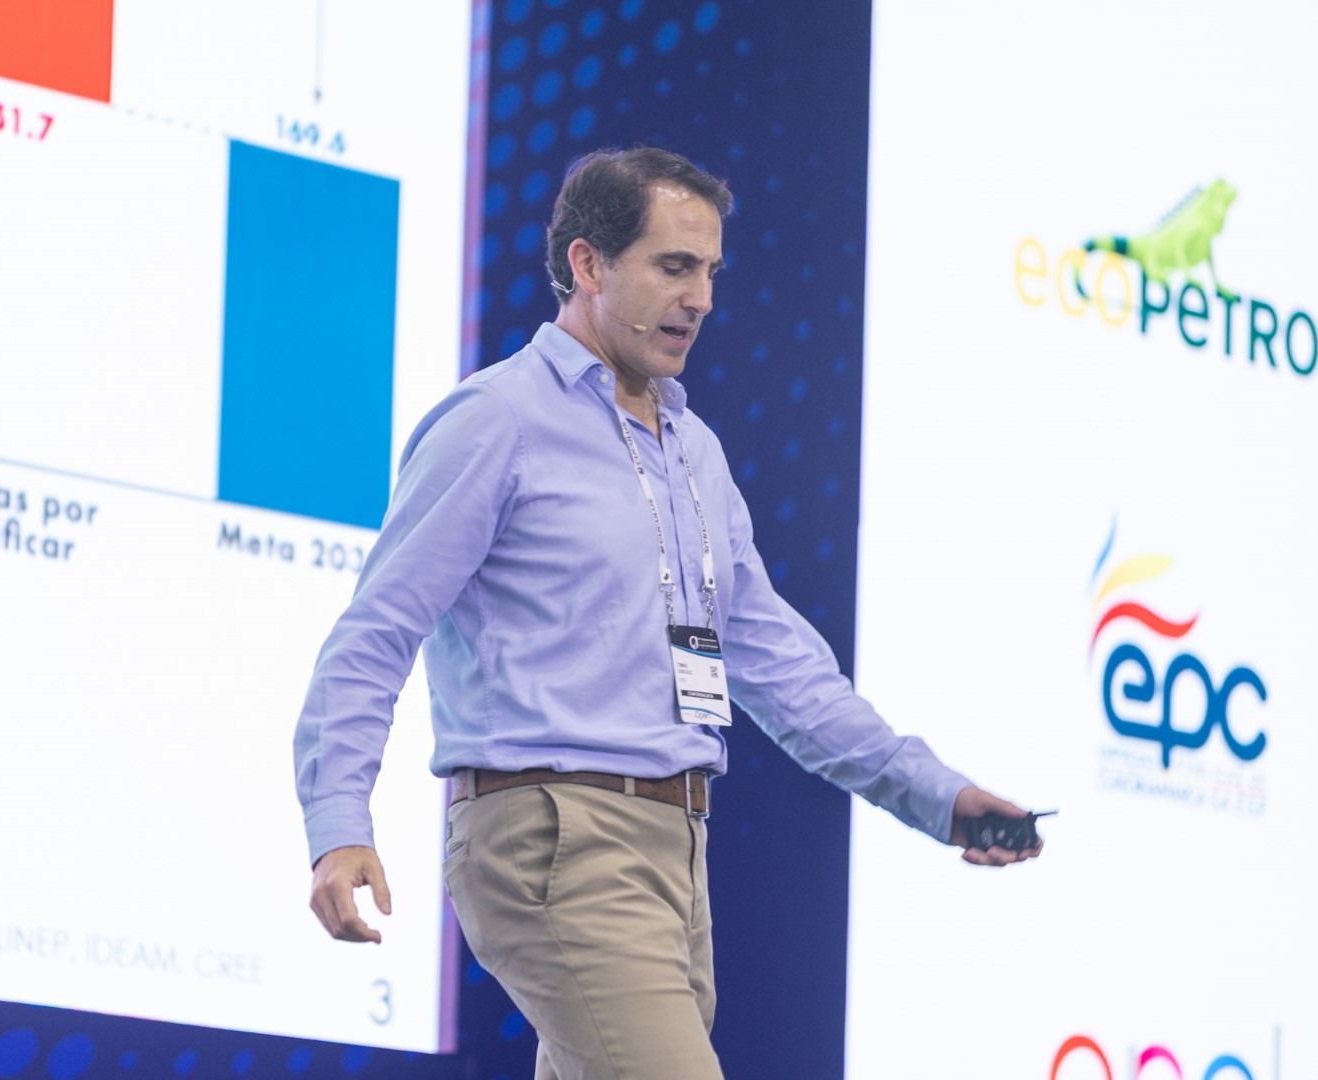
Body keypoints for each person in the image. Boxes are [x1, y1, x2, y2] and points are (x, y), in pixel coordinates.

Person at [294, 146, 1041, 1080]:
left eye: (711, 272)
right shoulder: (498, 420)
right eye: (675, 267)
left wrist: (935, 795)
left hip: (676, 848)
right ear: (588, 263)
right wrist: (339, 823)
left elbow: (782, 668)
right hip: (557, 836)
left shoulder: (694, 450)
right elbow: (376, 632)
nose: (701, 299)